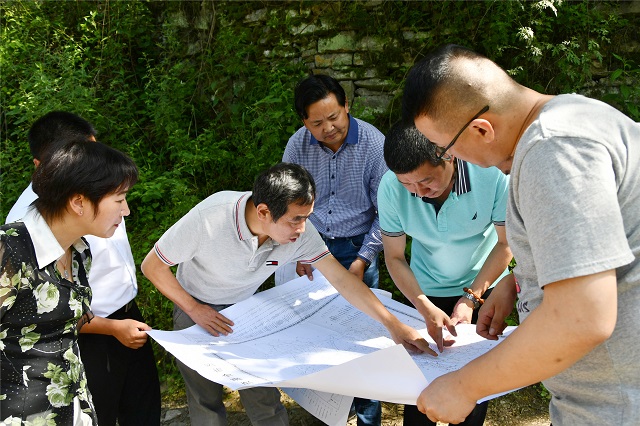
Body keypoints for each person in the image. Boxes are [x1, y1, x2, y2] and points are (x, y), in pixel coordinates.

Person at [403, 43, 640, 425]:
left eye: (447, 149)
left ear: (482, 129)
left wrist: (463, 387)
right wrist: (519, 282)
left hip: (616, 404)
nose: (453, 161)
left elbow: (582, 317)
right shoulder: (577, 116)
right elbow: (605, 244)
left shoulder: (553, 151)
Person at [141, 162, 433, 426]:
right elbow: (152, 265)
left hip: (245, 310)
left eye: (307, 217)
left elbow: (342, 281)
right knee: (205, 398)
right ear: (264, 212)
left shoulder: (300, 232)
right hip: (194, 303)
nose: (303, 228)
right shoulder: (210, 218)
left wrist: (393, 324)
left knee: (263, 394)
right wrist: (194, 309)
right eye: (295, 220)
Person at [5, 111, 161, 426]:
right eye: (119, 200)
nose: (127, 211)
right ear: (79, 202)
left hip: (72, 408)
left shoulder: (79, 249)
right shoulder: (11, 250)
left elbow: (62, 318)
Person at [379, 122, 512, 426]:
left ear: (448, 156)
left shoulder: (490, 175)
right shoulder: (390, 187)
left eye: (426, 181)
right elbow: (395, 257)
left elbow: (506, 244)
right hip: (423, 291)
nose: (419, 193)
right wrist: (423, 305)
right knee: (419, 395)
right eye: (407, 185)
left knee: (472, 394)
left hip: (481, 290)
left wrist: (471, 299)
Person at [280, 74, 388, 425]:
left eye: (334, 117)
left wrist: (362, 260)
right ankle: (328, 413)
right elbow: (286, 205)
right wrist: (298, 251)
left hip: (357, 247)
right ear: (304, 122)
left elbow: (386, 215)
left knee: (363, 340)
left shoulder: (373, 145)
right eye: (317, 122)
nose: (328, 128)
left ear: (346, 106)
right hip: (311, 248)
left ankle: (367, 417)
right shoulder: (297, 146)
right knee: (317, 336)